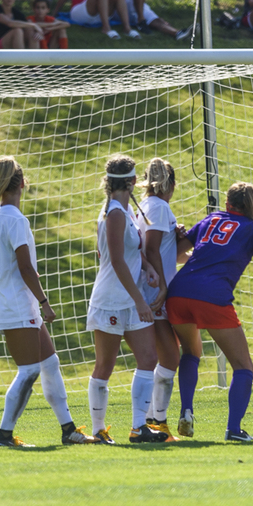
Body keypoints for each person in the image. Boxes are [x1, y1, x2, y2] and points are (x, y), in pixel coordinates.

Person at [0, 157, 97, 448]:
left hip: (12, 302)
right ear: (22, 184)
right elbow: (26, 268)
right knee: (29, 371)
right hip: (18, 304)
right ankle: (4, 434)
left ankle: (68, 429)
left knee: (50, 363)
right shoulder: (15, 219)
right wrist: (44, 301)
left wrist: (1, 272)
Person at [168, 183, 253, 442]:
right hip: (212, 296)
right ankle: (234, 430)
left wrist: (197, 252)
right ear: (252, 204)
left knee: (191, 352)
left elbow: (175, 253)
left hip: (178, 292)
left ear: (228, 203)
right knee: (243, 366)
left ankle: (186, 409)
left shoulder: (212, 218)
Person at [86, 154, 168, 445]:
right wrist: (140, 301)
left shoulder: (125, 210)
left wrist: (147, 268)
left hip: (131, 298)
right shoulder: (115, 212)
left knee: (148, 358)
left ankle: (138, 428)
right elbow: (117, 262)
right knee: (105, 365)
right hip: (112, 299)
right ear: (133, 181)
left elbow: (131, 253)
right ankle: (98, 430)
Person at [135, 159, 187, 441]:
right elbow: (152, 249)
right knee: (167, 357)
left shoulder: (145, 207)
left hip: (149, 289)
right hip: (153, 291)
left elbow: (168, 252)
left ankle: (149, 421)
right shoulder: (160, 207)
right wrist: (163, 286)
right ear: (173, 184)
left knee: (159, 358)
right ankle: (156, 422)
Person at [53, 0, 140, 40]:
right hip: (79, 12)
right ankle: (106, 28)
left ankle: (127, 29)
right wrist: (54, 13)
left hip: (99, 11)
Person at [120, 0, 195, 40]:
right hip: (118, 0)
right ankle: (141, 20)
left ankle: (178, 33)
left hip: (137, 2)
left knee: (156, 20)